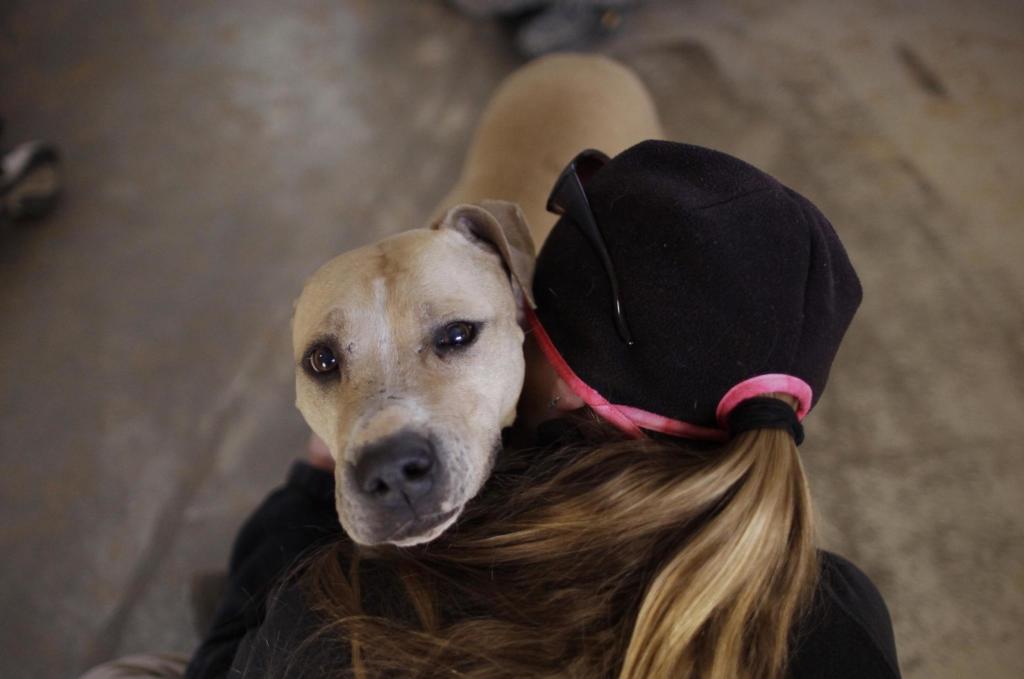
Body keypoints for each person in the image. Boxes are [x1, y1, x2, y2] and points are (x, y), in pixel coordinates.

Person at [179, 140, 901, 679]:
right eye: (328, 365)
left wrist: (305, 493)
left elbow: (225, 662)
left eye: (457, 337)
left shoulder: (343, 623)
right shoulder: (846, 613)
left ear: (542, 352)